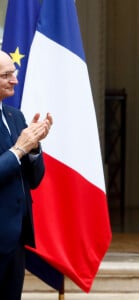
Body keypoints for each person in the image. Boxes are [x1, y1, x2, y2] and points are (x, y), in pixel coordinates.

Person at [0, 50, 52, 299]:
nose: (15, 80)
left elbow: (34, 178)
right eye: (6, 75)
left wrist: (34, 146)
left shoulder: (15, 116)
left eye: (14, 73)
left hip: (16, 237)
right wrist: (19, 148)